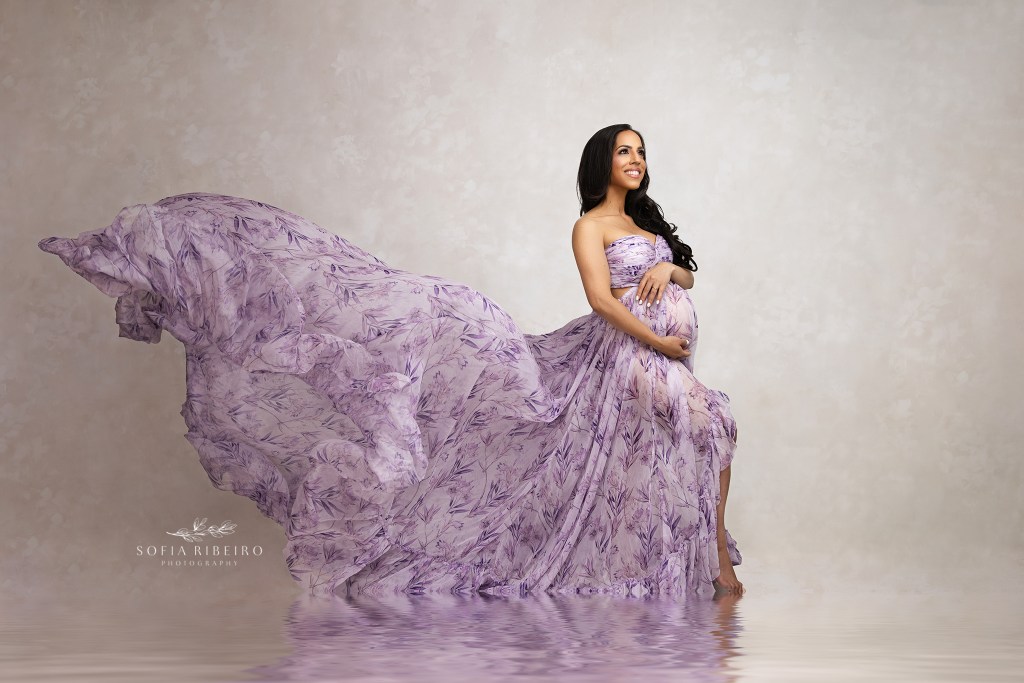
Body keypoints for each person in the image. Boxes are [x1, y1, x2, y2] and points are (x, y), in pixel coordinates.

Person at [37, 123, 742, 598]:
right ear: (601, 164)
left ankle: (706, 556)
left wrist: (670, 277)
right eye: (624, 151)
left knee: (711, 426)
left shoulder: (647, 224)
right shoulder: (589, 224)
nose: (635, 161)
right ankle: (700, 568)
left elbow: (684, 274)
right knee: (684, 428)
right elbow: (599, 298)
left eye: (640, 152)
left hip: (663, 354)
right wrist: (655, 337)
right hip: (622, 356)